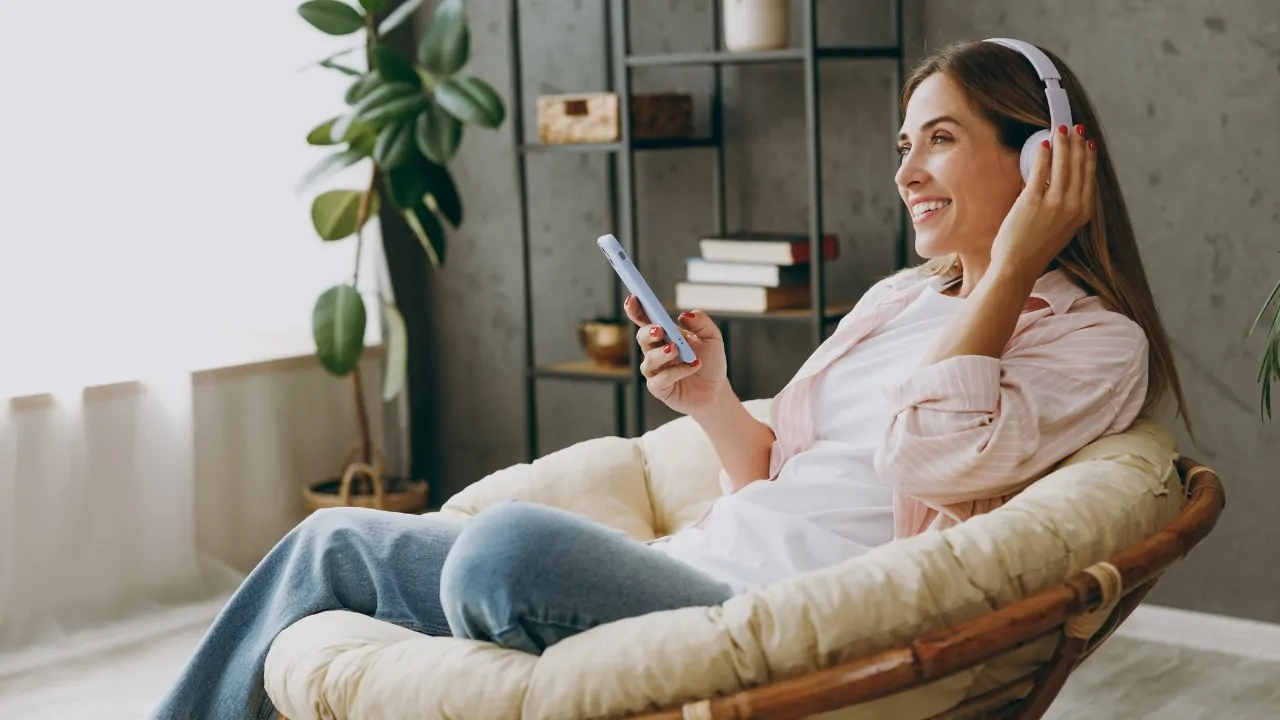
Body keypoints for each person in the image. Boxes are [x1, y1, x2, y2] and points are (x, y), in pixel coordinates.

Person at [153, 39, 1187, 720]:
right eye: (903, 145)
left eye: (942, 140)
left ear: (1047, 157)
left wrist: (1007, 268)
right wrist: (710, 400)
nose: (905, 172)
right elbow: (782, 480)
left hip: (766, 614)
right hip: (698, 564)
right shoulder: (895, 300)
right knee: (330, 538)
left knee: (501, 553)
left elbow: (928, 450)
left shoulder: (1092, 344)